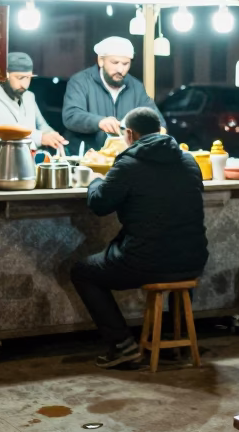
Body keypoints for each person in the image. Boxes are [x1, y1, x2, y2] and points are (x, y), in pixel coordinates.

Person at [71, 106, 208, 368]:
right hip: (194, 259)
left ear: (130, 134)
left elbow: (100, 205)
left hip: (145, 261)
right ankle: (173, 339)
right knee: (177, 252)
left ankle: (123, 345)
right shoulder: (188, 160)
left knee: (82, 271)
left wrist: (95, 181)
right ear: (160, 131)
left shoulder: (128, 164)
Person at [62, 36, 163, 151]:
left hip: (124, 158)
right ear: (101, 61)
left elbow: (155, 119)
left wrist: (157, 130)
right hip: (85, 158)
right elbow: (71, 116)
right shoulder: (80, 81)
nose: (120, 69)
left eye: (125, 64)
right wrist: (99, 122)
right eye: (115, 63)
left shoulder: (136, 87)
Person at [0, 51, 67, 152]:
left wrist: (53, 136)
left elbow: (42, 126)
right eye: (20, 78)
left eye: (28, 78)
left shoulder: (29, 97)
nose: (25, 85)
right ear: (5, 76)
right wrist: (38, 138)